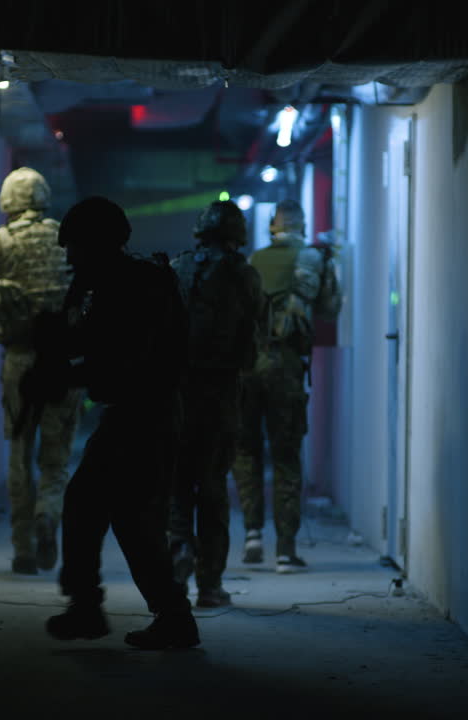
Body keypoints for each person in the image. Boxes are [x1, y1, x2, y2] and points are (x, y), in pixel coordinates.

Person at [27, 195, 200, 649]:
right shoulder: (113, 285)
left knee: (117, 514)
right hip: (135, 415)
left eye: (76, 248)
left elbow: (126, 361)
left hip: (147, 415)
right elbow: (95, 339)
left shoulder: (135, 286)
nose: (71, 258)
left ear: (98, 244)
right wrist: (58, 343)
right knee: (107, 511)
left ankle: (141, 613)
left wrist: (68, 371)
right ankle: (114, 610)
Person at [0, 167, 83, 576]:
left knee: (20, 455)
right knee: (55, 460)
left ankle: (22, 548)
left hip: (19, 363)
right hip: (61, 365)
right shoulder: (64, 240)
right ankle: (47, 515)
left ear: (8, 201)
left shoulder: (0, 243)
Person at [234, 199, 343, 573]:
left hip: (247, 367)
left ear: (272, 227)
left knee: (246, 451)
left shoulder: (253, 261)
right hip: (287, 368)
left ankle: (251, 534)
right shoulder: (314, 259)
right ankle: (285, 550)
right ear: (303, 225)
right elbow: (330, 309)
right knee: (285, 455)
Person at [167, 201, 262, 608]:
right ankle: (210, 584)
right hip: (221, 393)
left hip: (177, 393)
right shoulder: (244, 274)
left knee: (175, 483)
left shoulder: (176, 268)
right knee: (212, 487)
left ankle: (177, 557)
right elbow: (256, 337)